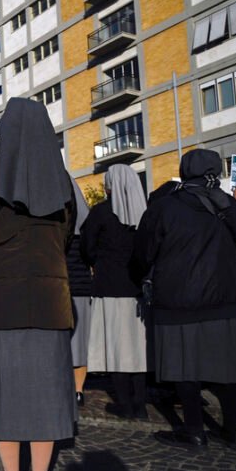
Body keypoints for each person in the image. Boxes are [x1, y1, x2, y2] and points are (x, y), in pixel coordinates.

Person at [0, 98, 75, 471]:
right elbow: (67, 237)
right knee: (47, 396)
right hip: (47, 300)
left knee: (3, 396)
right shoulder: (63, 182)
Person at [133, 149, 236, 448]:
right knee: (227, 366)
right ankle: (234, 428)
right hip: (224, 297)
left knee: (185, 366)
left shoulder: (165, 207)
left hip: (178, 297)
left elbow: (143, 253)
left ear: (184, 171)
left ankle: (194, 430)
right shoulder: (229, 207)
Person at [81, 164, 148, 419]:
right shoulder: (145, 214)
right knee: (138, 348)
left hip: (109, 287)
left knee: (117, 347)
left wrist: (99, 261)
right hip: (138, 289)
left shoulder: (101, 213)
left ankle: (124, 403)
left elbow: (87, 247)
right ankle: (140, 403)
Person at [66, 179, 92, 407]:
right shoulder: (86, 228)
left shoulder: (52, 229)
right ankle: (78, 390)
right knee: (79, 344)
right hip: (81, 287)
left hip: (58, 289)